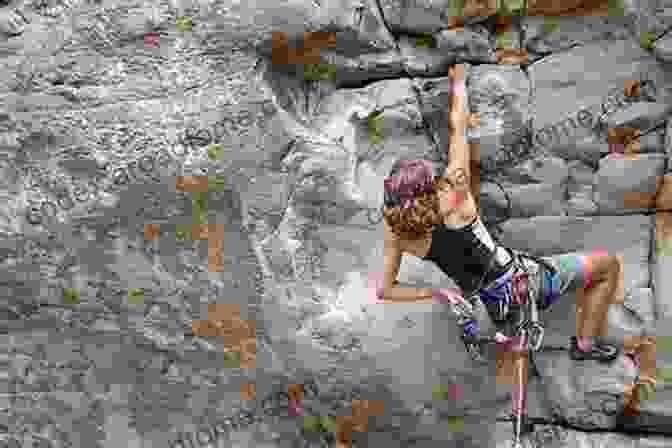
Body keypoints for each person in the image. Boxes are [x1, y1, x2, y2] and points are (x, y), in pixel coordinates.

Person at [378, 64, 621, 434]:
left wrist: (440, 293)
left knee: (515, 333)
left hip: (485, 309)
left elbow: (385, 290)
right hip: (526, 282)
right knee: (606, 265)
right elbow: (459, 127)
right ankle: (584, 344)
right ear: (429, 189)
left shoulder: (397, 231)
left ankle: (518, 413)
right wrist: (458, 81)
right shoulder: (455, 192)